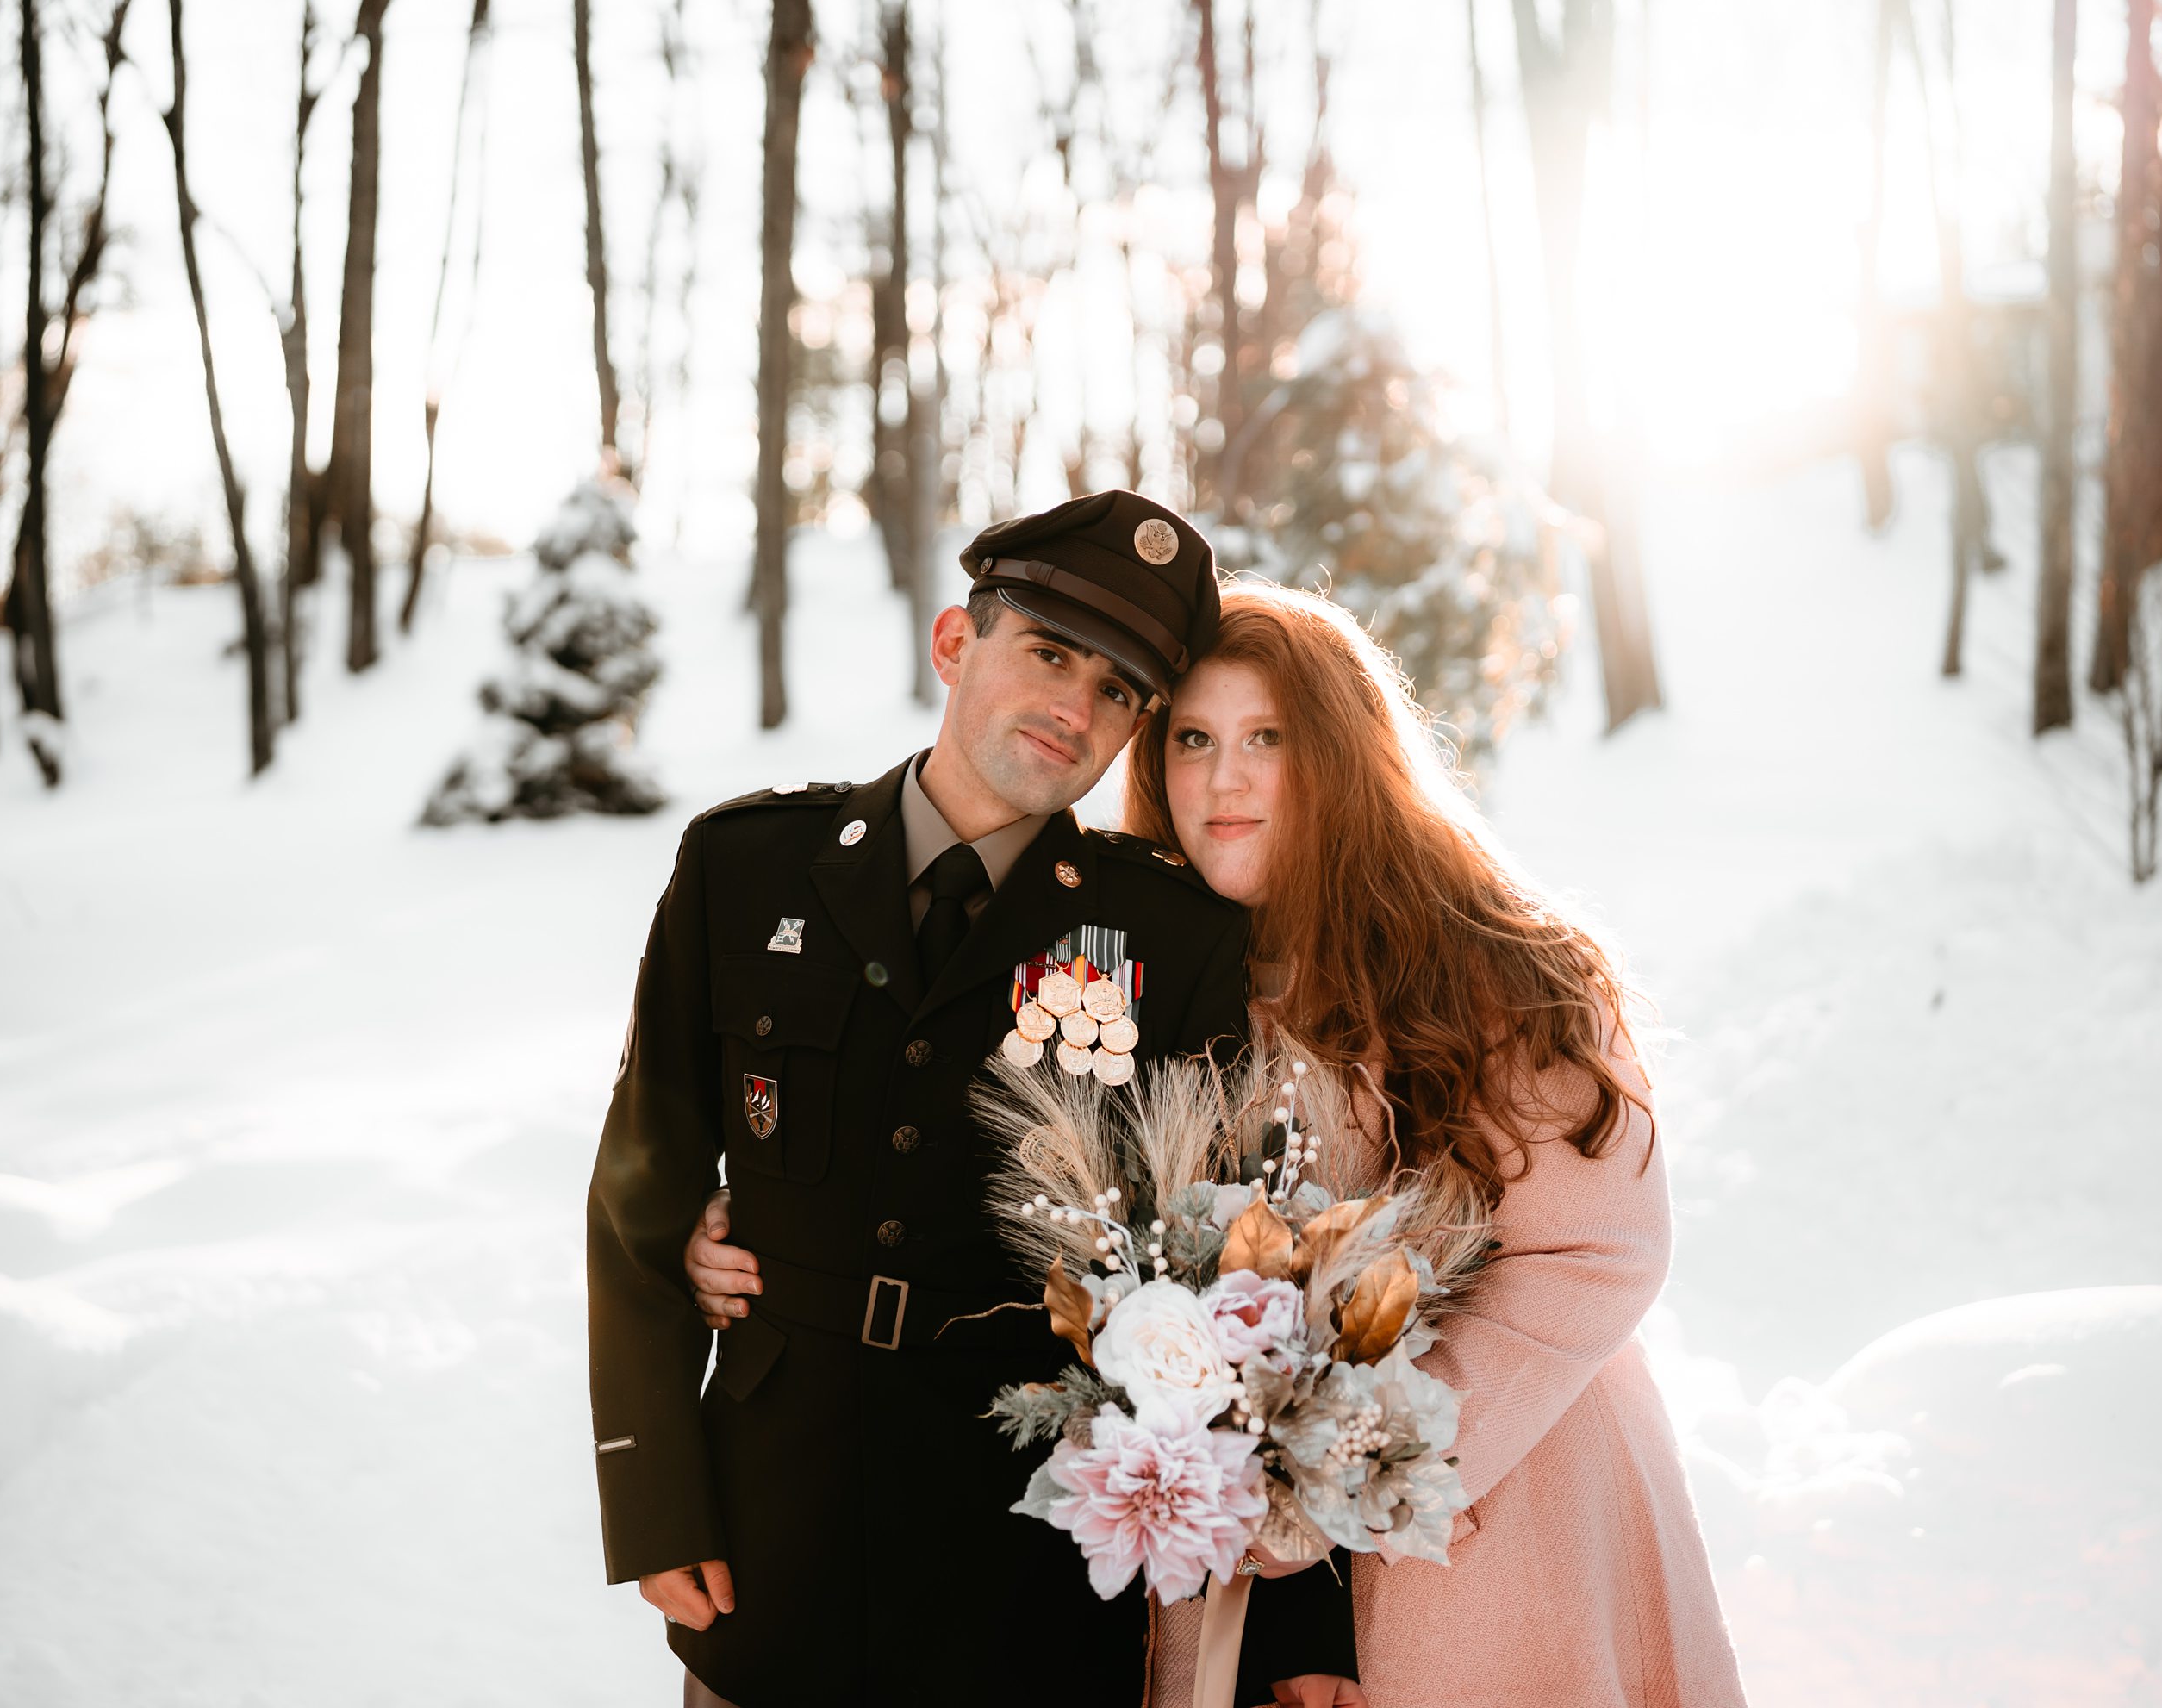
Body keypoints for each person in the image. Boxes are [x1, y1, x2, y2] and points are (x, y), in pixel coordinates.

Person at [695, 582, 1752, 1708]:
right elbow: (999, 1175)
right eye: (1192, 740)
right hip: (1228, 1548)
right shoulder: (1126, 964)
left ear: (1344, 756)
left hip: (1483, 1517)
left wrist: (1342, 1471)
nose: (1223, 780)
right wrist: (755, 1231)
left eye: (1268, 739)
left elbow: (1594, 1252)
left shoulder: (1488, 959)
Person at [589, 494, 1357, 1708]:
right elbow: (641, 1196)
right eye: (1049, 653)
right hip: (771, 1540)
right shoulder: (744, 868)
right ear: (955, 643)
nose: (1075, 707)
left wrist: (1298, 1619)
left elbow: (1238, 1278)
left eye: (1119, 692)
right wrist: (652, 1497)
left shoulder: (1172, 934)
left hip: (1029, 1578)